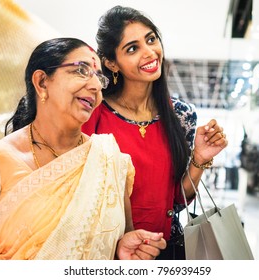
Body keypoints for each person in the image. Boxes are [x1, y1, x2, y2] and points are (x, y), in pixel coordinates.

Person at [0, 37, 166, 260]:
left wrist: (122, 248)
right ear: (42, 82)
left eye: (99, 78)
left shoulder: (109, 159)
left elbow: (111, 241)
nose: (95, 86)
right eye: (81, 71)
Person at [82, 6, 228, 258]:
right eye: (132, 48)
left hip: (166, 249)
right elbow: (81, 194)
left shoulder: (181, 115)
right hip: (109, 252)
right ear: (111, 63)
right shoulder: (94, 112)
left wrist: (200, 159)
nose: (150, 53)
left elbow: (176, 201)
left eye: (151, 39)